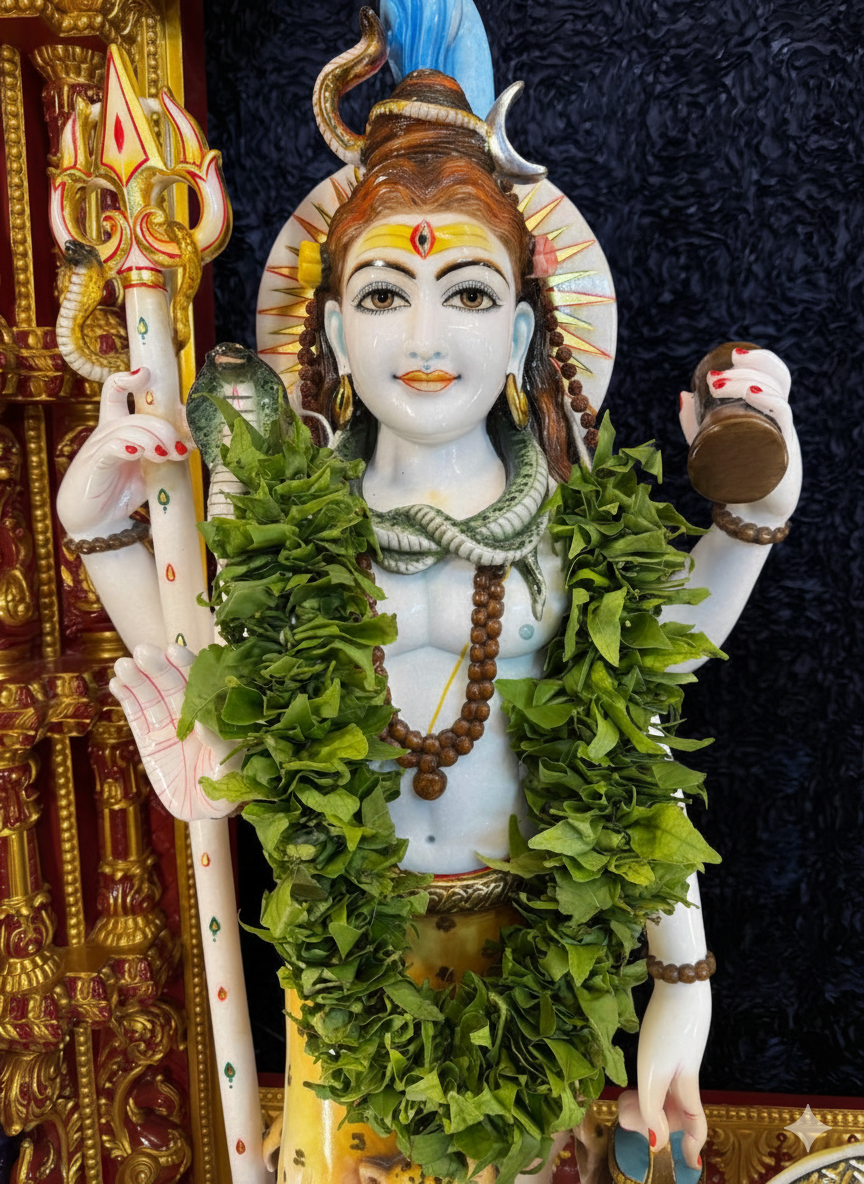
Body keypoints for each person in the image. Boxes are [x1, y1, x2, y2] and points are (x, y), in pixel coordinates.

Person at [57, 51, 800, 1184]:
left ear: (521, 334)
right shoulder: (286, 528)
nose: (423, 339)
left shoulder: (564, 532)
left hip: (538, 964)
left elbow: (636, 735)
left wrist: (681, 987)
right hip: (347, 960)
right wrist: (103, 532)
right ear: (332, 331)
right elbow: (200, 667)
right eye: (382, 295)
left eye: (468, 293)